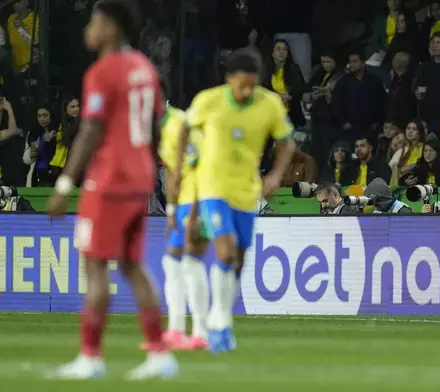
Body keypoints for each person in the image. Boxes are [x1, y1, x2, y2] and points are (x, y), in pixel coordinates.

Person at [46, 0, 178, 380]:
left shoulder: (103, 71)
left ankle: (90, 356)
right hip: (139, 179)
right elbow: (155, 127)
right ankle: (158, 353)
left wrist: (65, 182)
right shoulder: (145, 68)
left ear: (111, 26)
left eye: (94, 21)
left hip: (109, 182)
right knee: (134, 266)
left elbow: (90, 130)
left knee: (95, 266)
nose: (88, 29)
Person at [175, 47, 296, 354]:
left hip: (247, 190)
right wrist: (179, 170)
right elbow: (184, 130)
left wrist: (276, 175)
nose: (246, 91)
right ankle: (219, 322)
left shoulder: (269, 103)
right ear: (229, 78)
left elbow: (287, 143)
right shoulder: (209, 100)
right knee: (225, 252)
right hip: (213, 187)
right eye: (241, 84)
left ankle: (222, 316)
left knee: (238, 258)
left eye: (252, 84)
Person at [149, 102, 209, 351]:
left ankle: (200, 333)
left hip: (203, 197)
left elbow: (203, 169)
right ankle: (175, 331)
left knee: (190, 261)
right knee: (172, 261)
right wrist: (171, 211)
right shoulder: (162, 131)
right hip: (183, 201)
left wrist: (195, 211)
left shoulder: (183, 125)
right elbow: (173, 172)